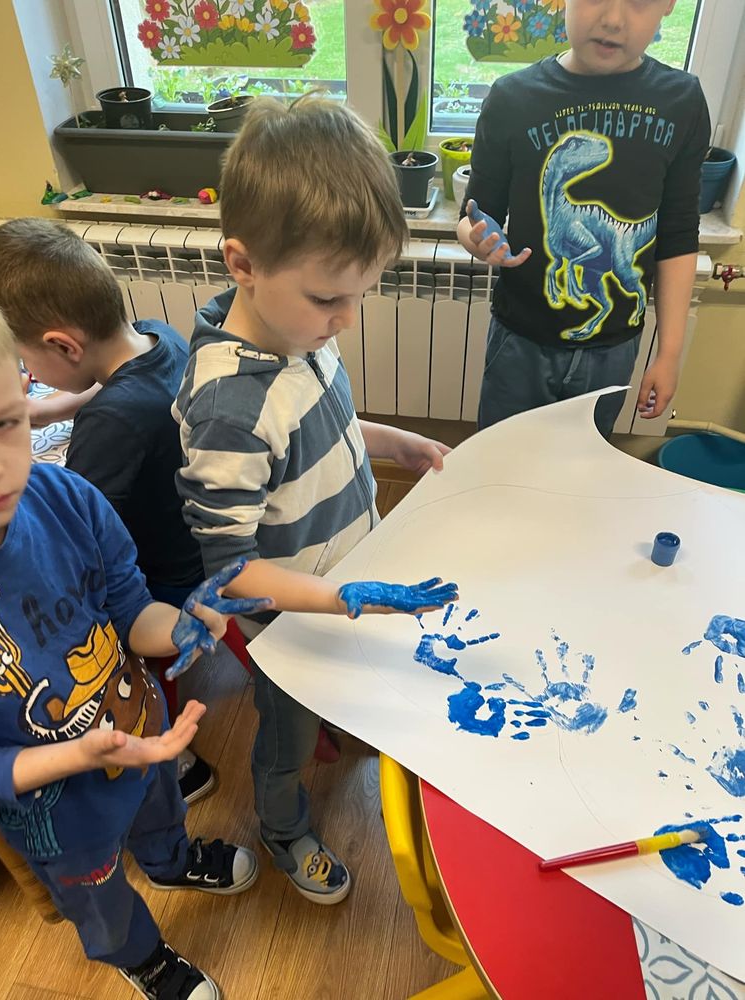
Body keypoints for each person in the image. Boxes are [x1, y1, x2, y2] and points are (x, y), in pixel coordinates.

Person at [172, 94, 458, 905]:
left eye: (361, 294)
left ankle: (339, 718)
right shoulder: (229, 409)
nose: (349, 321)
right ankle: (284, 828)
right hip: (291, 622)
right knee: (287, 740)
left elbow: (317, 425)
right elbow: (230, 573)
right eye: (330, 299)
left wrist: (393, 441)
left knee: (339, 695)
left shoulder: (297, 333)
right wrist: (339, 600)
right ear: (243, 264)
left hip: (338, 587)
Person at [0, 307, 273, 1000]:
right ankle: (140, 955)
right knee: (97, 894)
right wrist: (78, 756)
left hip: (143, 734)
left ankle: (170, 860)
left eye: (3, 423)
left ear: (25, 392)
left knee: (160, 812)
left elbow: (130, 608)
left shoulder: (67, 498)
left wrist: (181, 626)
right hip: (57, 807)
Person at [0, 218, 215, 804]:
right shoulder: (160, 336)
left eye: (26, 367)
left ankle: (174, 757)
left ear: (64, 346)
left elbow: (73, 535)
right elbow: (114, 388)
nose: (31, 382)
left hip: (166, 577)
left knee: (86, 625)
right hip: (197, 536)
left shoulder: (109, 424)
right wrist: (46, 411)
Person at [457, 0, 710, 438]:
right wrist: (477, 237)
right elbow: (476, 214)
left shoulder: (682, 101)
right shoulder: (512, 98)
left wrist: (669, 354)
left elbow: (678, 235)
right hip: (520, 341)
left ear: (668, 5)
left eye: (639, 2)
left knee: (584, 465)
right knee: (501, 460)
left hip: (613, 352)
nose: (612, 19)